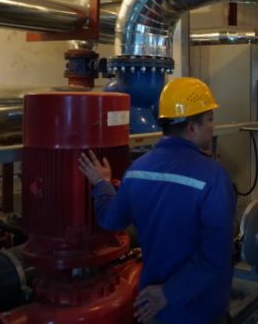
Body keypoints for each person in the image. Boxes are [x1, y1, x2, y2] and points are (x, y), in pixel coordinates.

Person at [78, 77, 236, 324]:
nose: (212, 127)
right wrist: (168, 293)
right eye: (209, 119)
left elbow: (110, 220)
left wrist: (101, 184)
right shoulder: (214, 178)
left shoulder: (137, 170)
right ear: (192, 127)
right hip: (199, 309)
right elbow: (215, 258)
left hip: (153, 308)